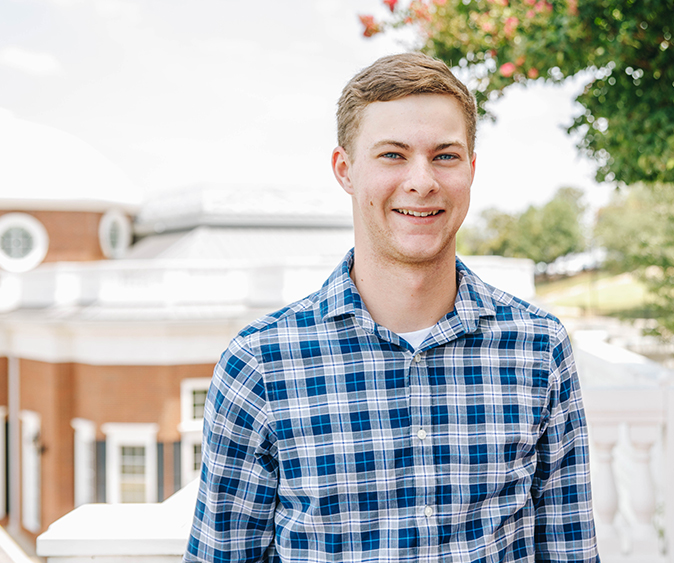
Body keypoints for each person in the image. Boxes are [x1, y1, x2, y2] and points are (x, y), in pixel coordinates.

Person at [184, 51, 599, 563]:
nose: (422, 180)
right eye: (392, 155)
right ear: (345, 170)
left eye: (444, 155)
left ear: (471, 170)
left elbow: (570, 550)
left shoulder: (539, 348)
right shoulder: (259, 364)